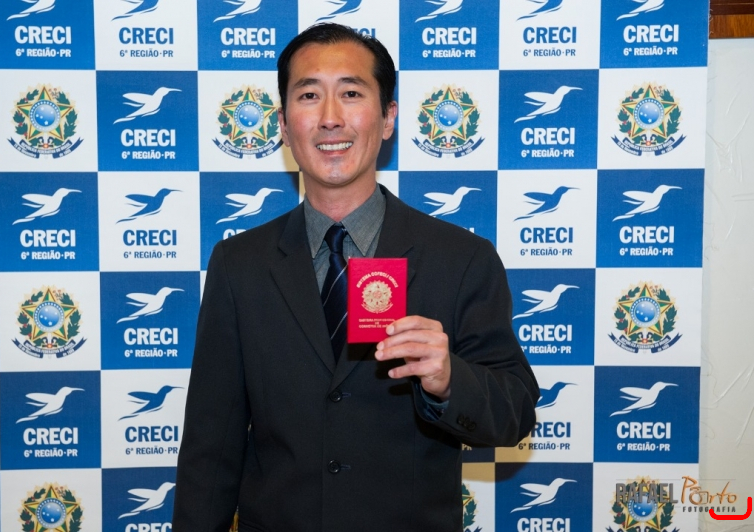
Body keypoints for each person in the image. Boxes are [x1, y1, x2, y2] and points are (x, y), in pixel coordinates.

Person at [173, 23, 539, 532]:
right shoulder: (239, 264)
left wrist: (448, 379)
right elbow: (210, 447)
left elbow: (514, 413)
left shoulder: (461, 258)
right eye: (308, 95)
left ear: (388, 118)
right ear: (283, 125)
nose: (330, 118)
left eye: (351, 93)